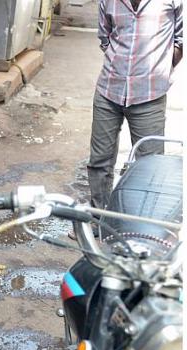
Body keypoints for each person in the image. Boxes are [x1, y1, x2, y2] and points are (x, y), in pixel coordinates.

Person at [88, 0, 182, 212]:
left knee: (151, 166)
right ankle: (98, 217)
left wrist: (158, 70)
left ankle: (141, 226)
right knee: (99, 161)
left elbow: (180, 41)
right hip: (109, 89)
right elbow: (105, 39)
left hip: (149, 95)